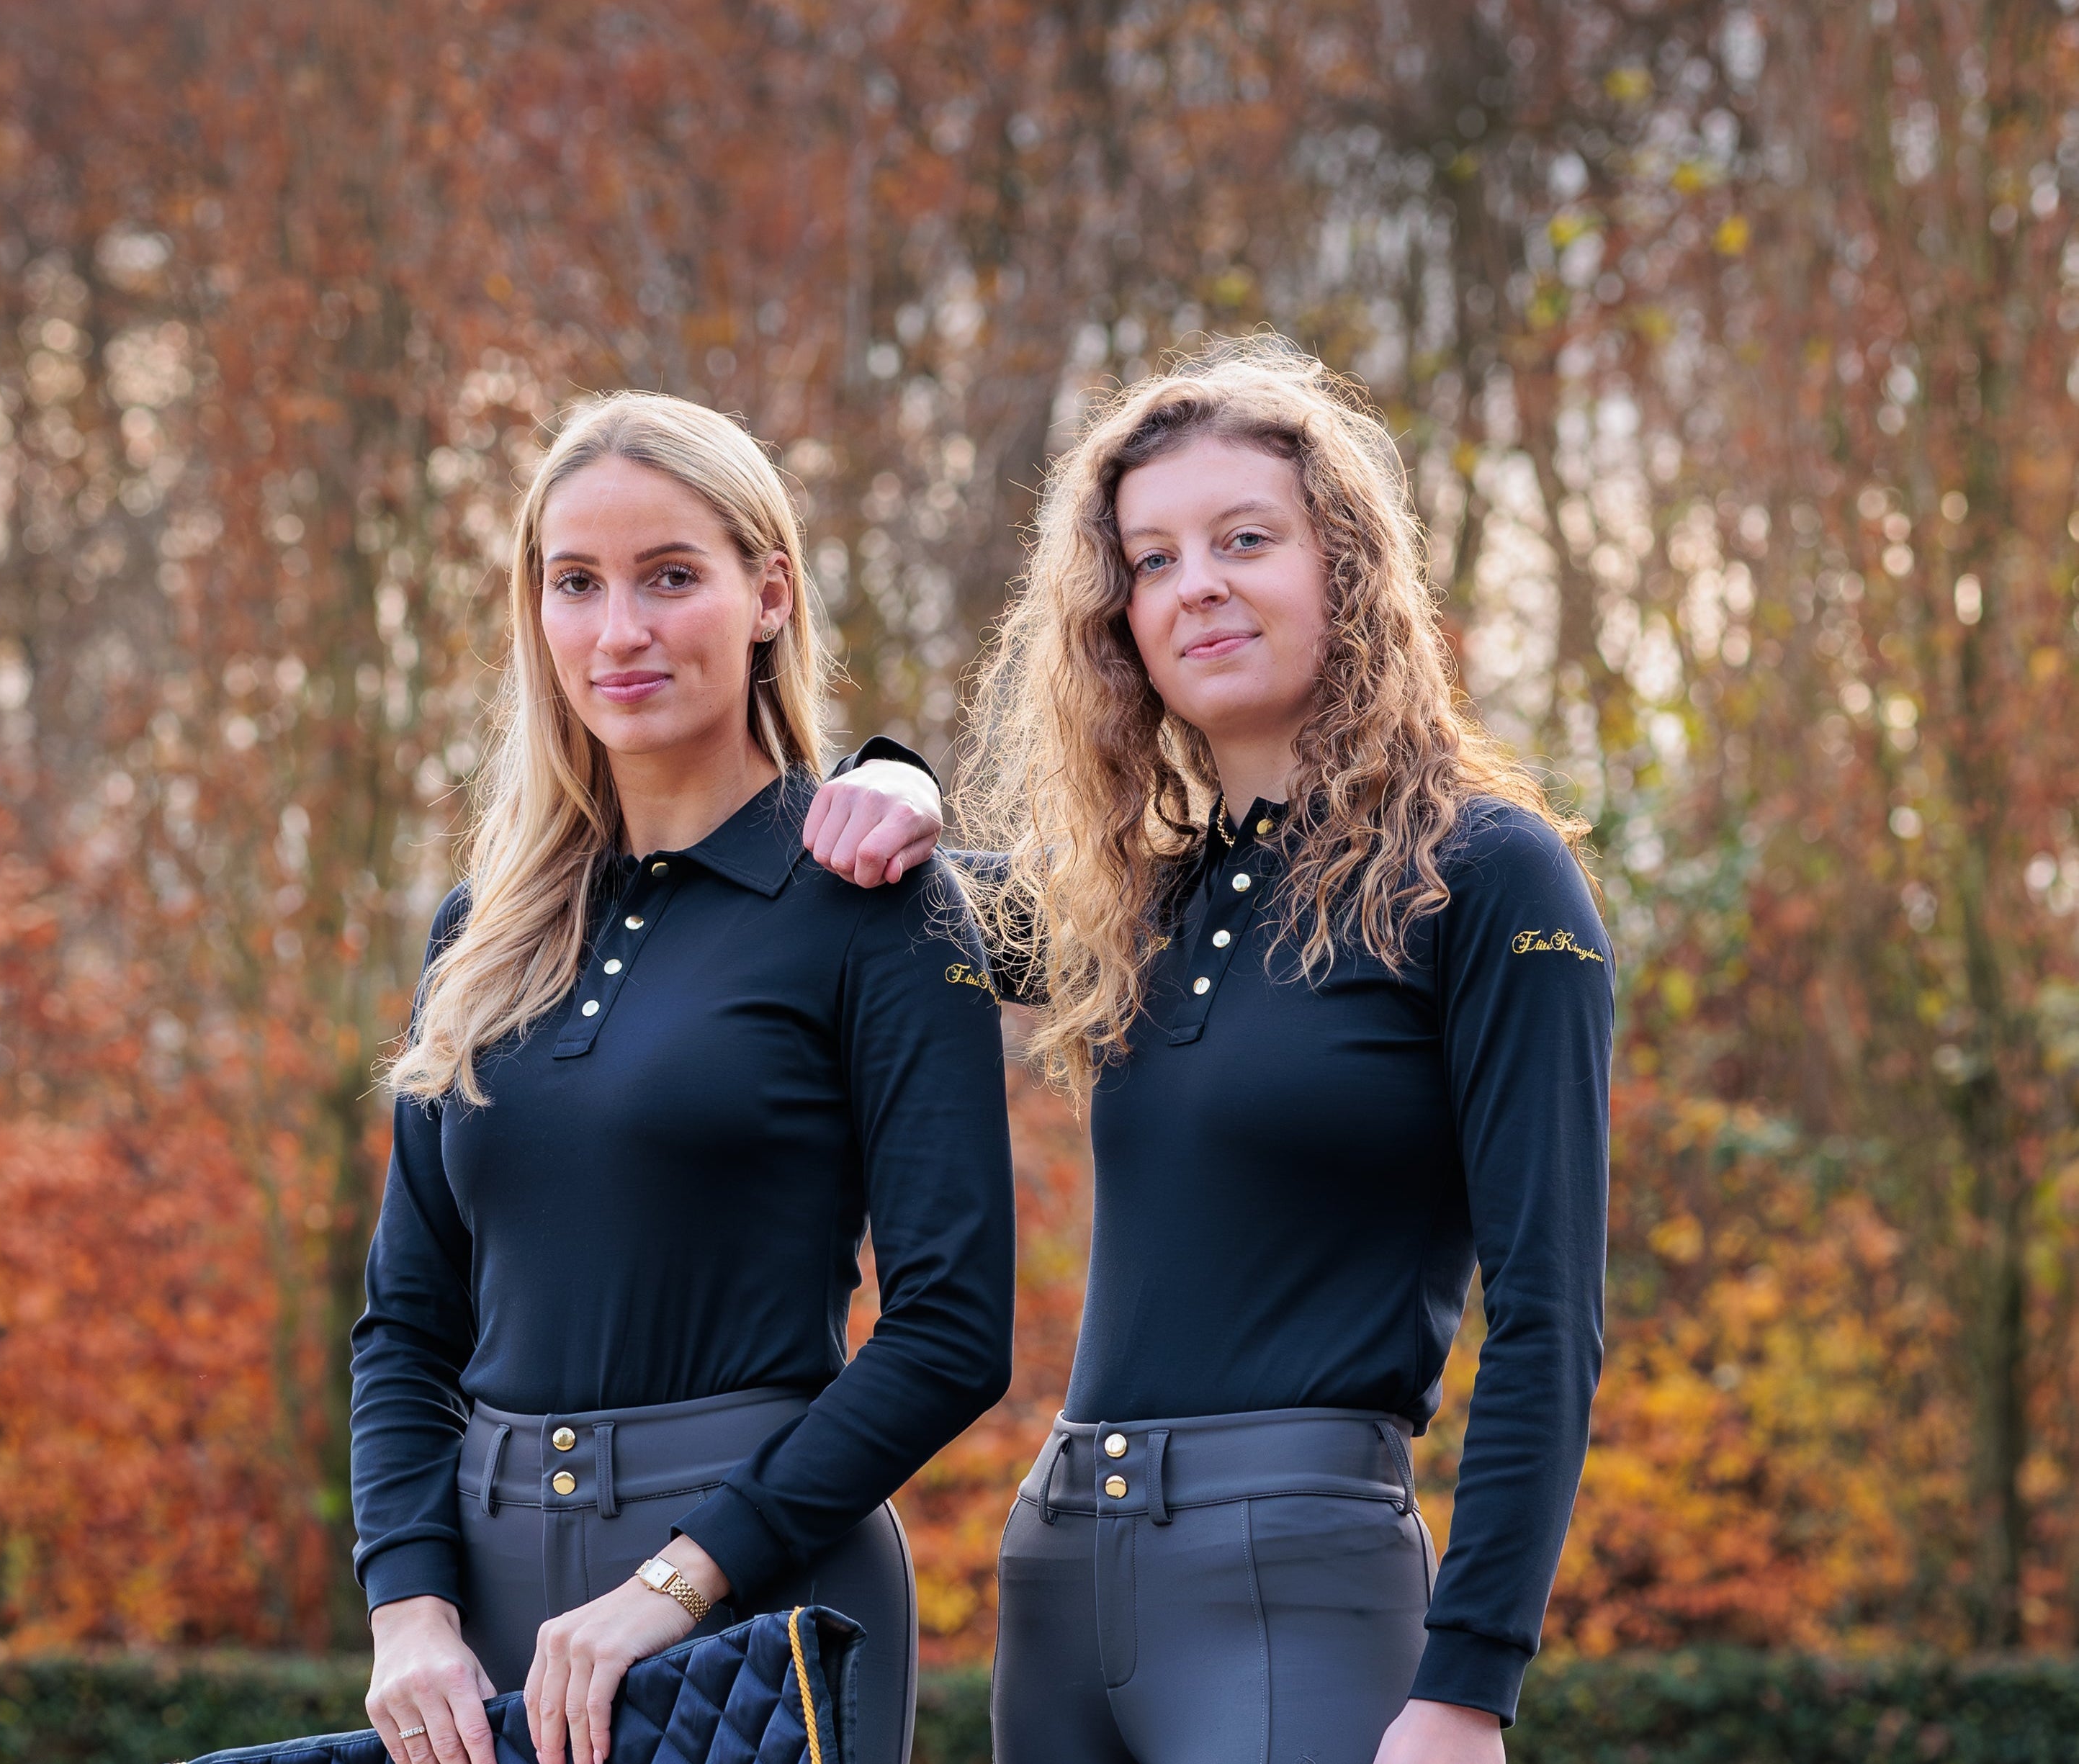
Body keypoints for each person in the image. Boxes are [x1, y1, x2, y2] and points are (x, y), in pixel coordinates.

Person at [804, 339, 1612, 1764]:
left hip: (1294, 1583)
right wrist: (892, 773)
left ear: (1343, 566)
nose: (1197, 585)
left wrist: (1466, 1684)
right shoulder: (1139, 901)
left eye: (1245, 540)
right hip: (1059, 1572)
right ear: (1115, 617)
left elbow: (1548, 1317)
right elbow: (912, 888)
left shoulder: (1483, 873)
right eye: (1152, 560)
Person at [351, 392, 1015, 1764]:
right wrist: (407, 1607)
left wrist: (677, 1580)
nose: (619, 631)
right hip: (483, 1610)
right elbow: (406, 1322)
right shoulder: (480, 930)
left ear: (768, 594)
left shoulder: (878, 905)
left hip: (753, 1587)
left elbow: (952, 1331)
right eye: (575, 583)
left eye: (668, 577)